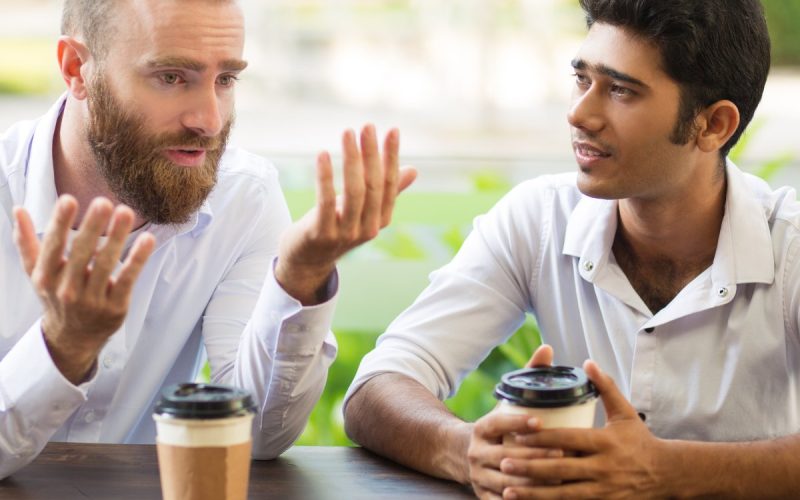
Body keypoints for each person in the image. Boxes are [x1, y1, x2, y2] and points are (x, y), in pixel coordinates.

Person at [343, 0, 800, 497]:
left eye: (621, 91)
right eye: (582, 79)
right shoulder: (537, 219)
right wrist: (466, 449)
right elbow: (377, 387)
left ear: (713, 125)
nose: (579, 113)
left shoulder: (790, 247)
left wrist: (666, 470)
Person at [0, 0, 416, 479]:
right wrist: (63, 346)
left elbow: (258, 433)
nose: (210, 121)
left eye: (226, 80)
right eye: (172, 77)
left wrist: (300, 276)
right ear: (77, 69)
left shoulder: (243, 198)